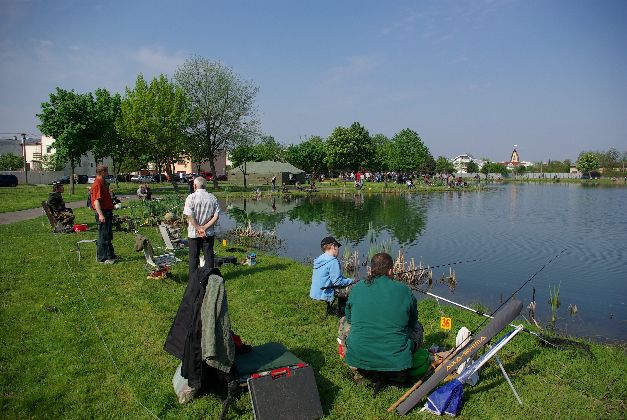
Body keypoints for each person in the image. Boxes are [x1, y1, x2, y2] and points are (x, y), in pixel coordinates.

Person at [340, 252, 423, 379]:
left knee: (343, 322)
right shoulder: (404, 290)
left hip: (359, 356)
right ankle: (397, 371)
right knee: (418, 327)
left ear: (371, 269)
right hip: (397, 361)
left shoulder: (357, 288)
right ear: (390, 271)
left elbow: (349, 318)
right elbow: (412, 322)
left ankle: (357, 365)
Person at [183, 176, 220, 279]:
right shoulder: (213, 198)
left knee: (193, 257)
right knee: (209, 256)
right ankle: (209, 278)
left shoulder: (191, 197)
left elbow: (189, 215)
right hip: (208, 233)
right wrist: (205, 227)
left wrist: (198, 228)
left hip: (193, 233)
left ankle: (193, 280)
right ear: (205, 185)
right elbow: (216, 216)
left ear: (195, 186)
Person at [310, 236, 353, 303]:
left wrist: (345, 279)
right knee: (352, 286)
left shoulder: (319, 259)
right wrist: (351, 281)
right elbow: (337, 282)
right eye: (337, 247)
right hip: (323, 296)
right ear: (333, 246)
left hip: (314, 294)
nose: (338, 249)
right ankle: (343, 308)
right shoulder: (333, 261)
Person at [91, 165, 116, 264]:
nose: (107, 173)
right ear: (102, 172)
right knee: (103, 236)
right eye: (106, 171)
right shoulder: (97, 184)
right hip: (103, 213)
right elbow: (96, 201)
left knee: (108, 235)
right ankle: (102, 257)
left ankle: (110, 255)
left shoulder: (102, 183)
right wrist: (100, 215)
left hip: (107, 211)